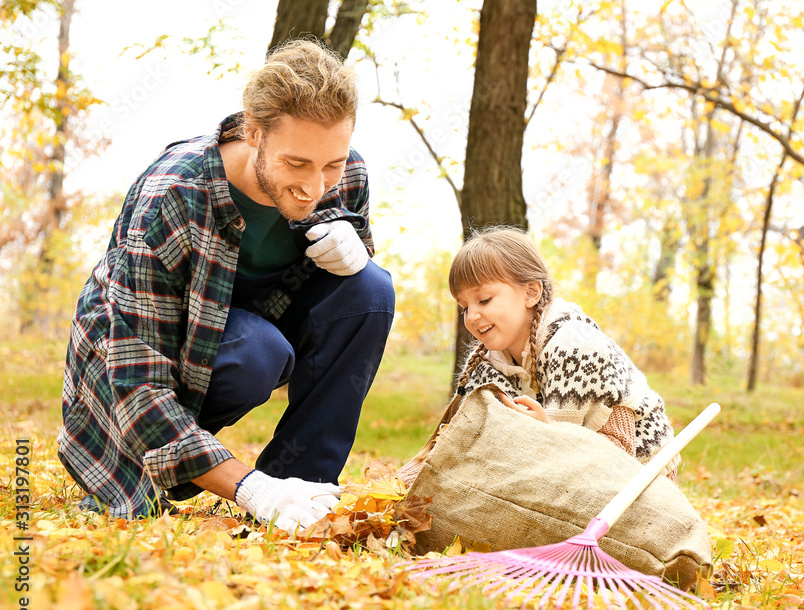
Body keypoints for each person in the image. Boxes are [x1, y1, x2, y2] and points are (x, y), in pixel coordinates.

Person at [56, 39, 395, 532]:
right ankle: (240, 483)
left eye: (332, 165)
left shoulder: (348, 173)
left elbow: (346, 267)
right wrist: (248, 487)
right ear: (253, 132)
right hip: (147, 357)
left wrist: (356, 243)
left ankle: (300, 494)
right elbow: (137, 383)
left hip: (259, 323)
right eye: (297, 164)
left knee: (370, 290)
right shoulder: (172, 196)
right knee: (258, 351)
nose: (316, 186)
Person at [446, 227, 679, 474]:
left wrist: (543, 429)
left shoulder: (575, 346)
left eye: (484, 300)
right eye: (463, 307)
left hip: (634, 465)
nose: (471, 316)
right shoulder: (485, 363)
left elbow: (561, 462)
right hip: (568, 464)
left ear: (531, 292)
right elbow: (456, 441)